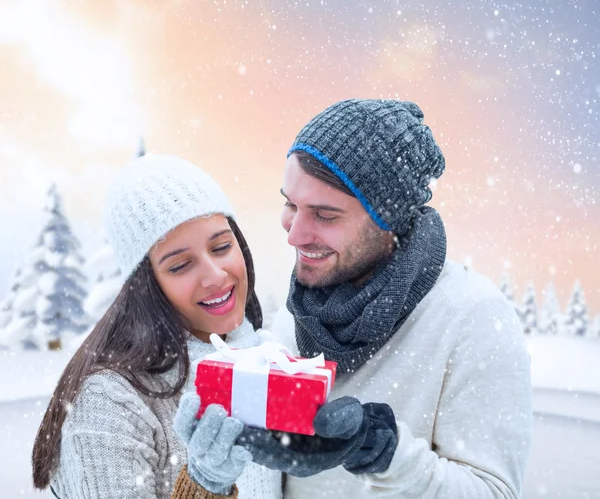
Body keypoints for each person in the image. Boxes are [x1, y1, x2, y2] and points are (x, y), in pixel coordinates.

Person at [248, 99, 533, 498]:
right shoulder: (300, 313)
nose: (294, 234)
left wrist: (387, 455)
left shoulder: (472, 319)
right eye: (290, 204)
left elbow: (493, 492)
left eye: (325, 215)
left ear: (388, 221)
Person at [31, 154, 284, 499]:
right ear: (146, 285)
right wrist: (204, 487)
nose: (215, 275)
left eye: (222, 246)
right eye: (180, 266)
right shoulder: (109, 405)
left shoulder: (265, 360)